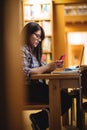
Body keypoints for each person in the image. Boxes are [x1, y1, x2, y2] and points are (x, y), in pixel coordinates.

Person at [21, 22, 72, 130]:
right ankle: (39, 120)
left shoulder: (32, 51)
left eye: (41, 38)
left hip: (33, 87)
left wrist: (53, 65)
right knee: (64, 98)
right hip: (25, 90)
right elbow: (24, 72)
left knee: (64, 97)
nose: (39, 40)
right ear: (27, 34)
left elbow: (42, 67)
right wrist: (47, 67)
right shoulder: (22, 49)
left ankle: (39, 120)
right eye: (37, 36)